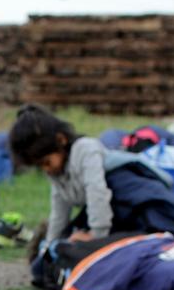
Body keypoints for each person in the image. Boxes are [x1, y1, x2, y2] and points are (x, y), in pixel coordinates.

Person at [8, 104, 113, 243]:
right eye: (40, 166)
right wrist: (50, 245)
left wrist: (96, 235)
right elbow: (59, 212)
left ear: (61, 140)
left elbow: (96, 191)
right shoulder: (59, 171)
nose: (46, 170)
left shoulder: (85, 150)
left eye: (46, 162)